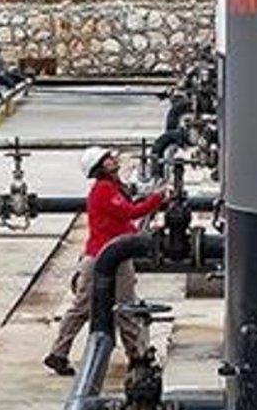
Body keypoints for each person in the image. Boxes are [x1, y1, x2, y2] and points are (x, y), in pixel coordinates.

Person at [44, 146, 166, 375]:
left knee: (102, 306)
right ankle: (136, 356)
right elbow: (130, 212)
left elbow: (121, 223)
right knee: (118, 306)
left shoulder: (112, 188)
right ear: (99, 167)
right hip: (105, 257)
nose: (113, 160)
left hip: (112, 254)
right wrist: (157, 199)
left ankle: (61, 353)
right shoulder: (104, 190)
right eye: (107, 159)